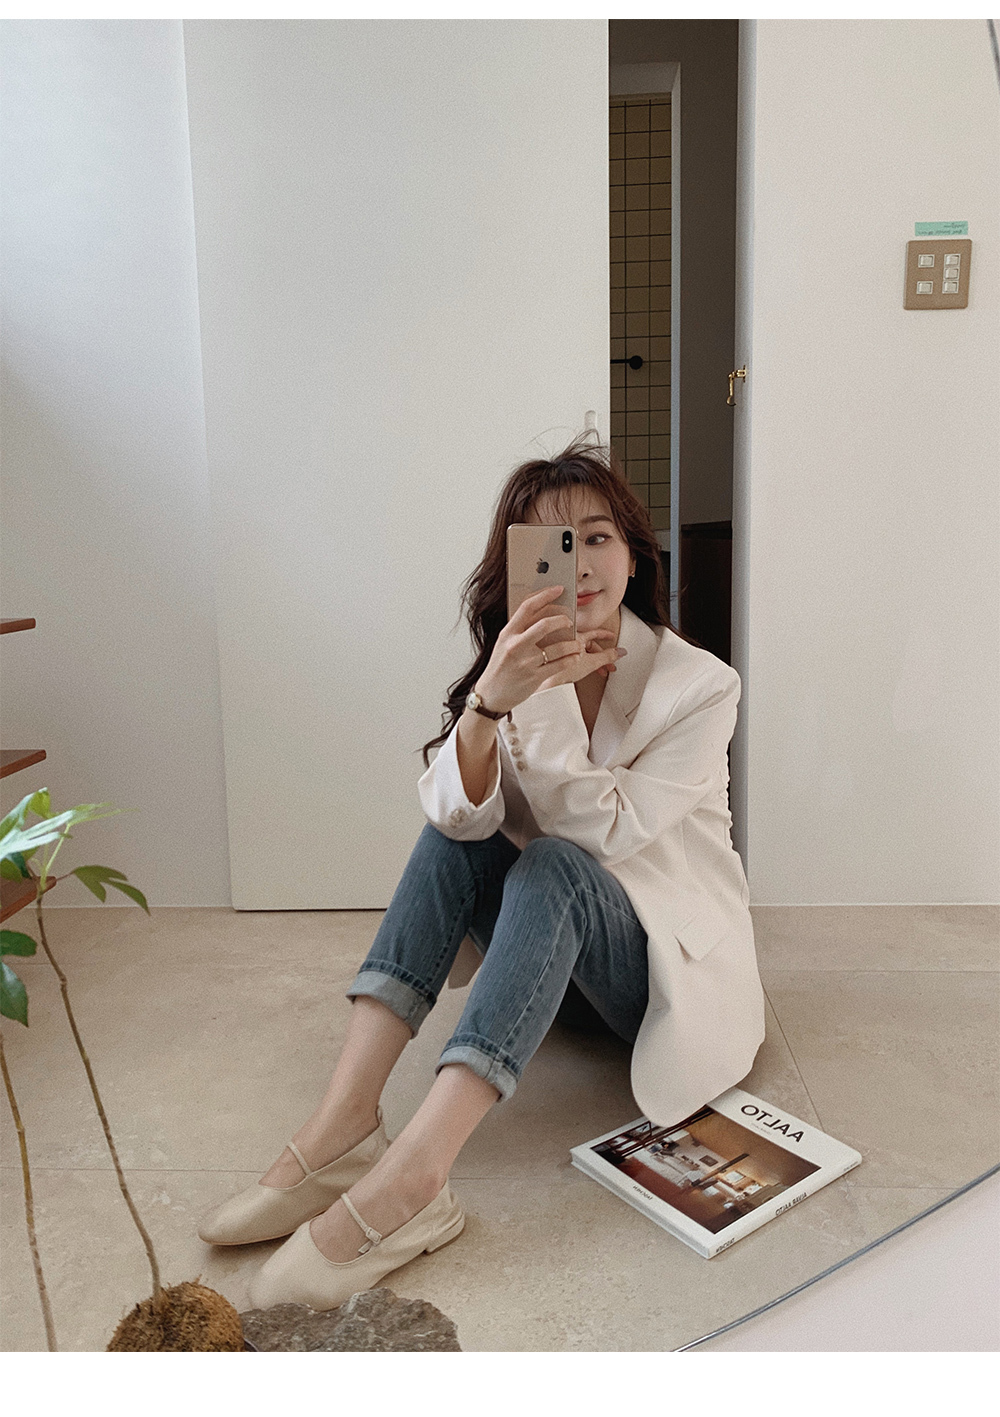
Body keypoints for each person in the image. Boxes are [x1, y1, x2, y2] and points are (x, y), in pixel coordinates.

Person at [201, 438, 765, 1305]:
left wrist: (539, 702)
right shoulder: (514, 667)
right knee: (454, 839)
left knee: (554, 864)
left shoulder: (700, 686)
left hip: (655, 971)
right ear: (518, 567)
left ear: (634, 554)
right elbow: (455, 816)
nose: (581, 564)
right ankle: (342, 1126)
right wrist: (490, 702)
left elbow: (607, 834)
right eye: (552, 545)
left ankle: (414, 1181)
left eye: (598, 536)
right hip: (550, 966)